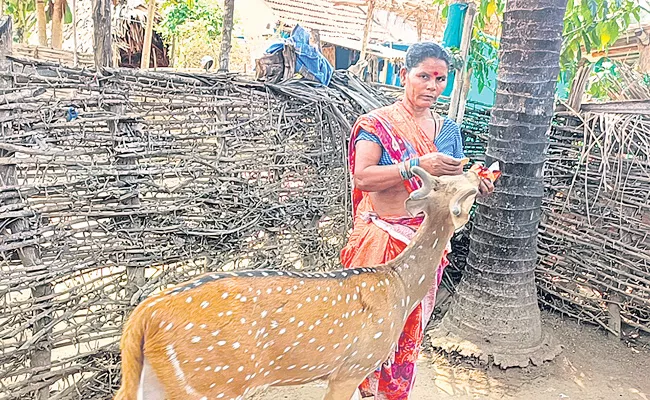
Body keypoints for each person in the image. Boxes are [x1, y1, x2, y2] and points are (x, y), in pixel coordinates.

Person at [340, 42, 494, 399]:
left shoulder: (448, 130)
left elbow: (449, 186)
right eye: (423, 76)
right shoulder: (378, 124)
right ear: (404, 75)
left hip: (426, 245)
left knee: (408, 331)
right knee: (370, 329)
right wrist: (414, 166)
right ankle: (364, 392)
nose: (432, 86)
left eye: (440, 79)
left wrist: (475, 182)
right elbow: (363, 177)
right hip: (383, 243)